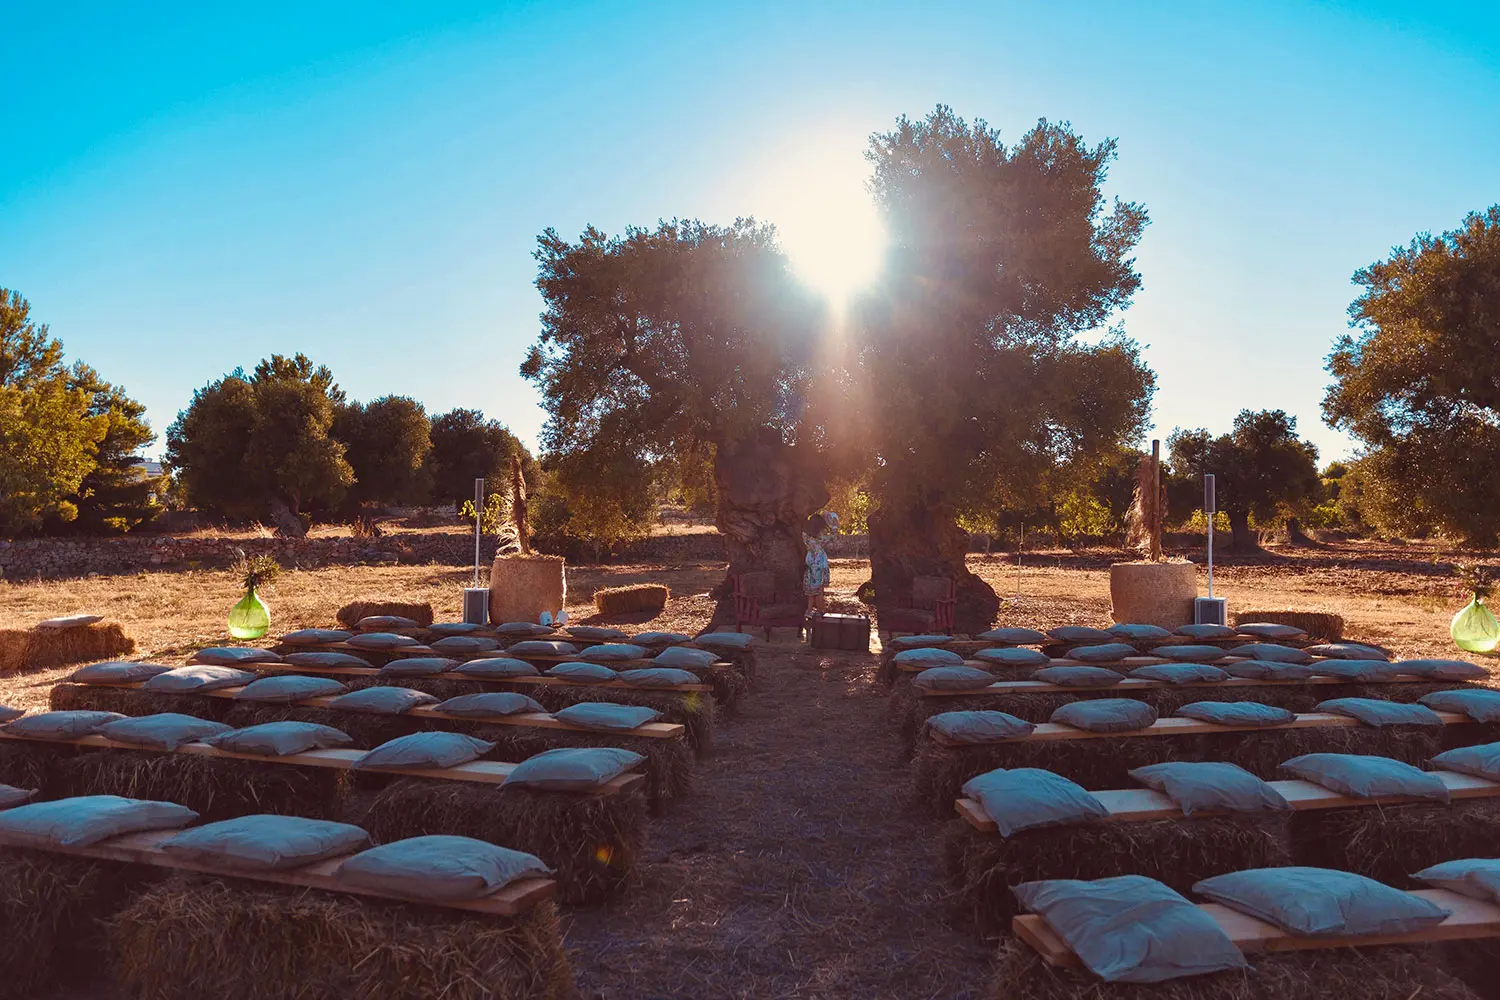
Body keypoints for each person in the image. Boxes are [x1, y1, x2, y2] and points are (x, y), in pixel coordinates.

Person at [803, 510, 838, 613]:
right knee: (819, 590)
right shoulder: (821, 538)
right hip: (819, 561)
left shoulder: (805, 536)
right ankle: (819, 612)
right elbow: (834, 538)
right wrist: (834, 526)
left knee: (811, 591)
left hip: (810, 560)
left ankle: (809, 611)